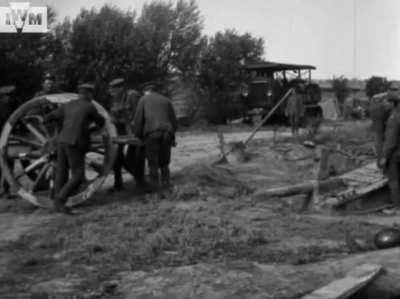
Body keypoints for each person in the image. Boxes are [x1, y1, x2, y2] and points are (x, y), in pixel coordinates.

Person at [44, 84, 104, 214]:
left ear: (79, 94)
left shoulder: (68, 105)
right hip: (75, 143)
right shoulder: (89, 106)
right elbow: (101, 122)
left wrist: (56, 127)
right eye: (91, 94)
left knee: (62, 172)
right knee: (78, 175)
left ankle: (57, 204)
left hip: (61, 141)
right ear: (89, 94)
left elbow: (48, 117)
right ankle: (60, 199)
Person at [132, 82, 177, 190]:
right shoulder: (166, 100)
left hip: (152, 133)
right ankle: (166, 184)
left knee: (153, 162)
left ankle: (155, 188)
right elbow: (174, 121)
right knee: (164, 161)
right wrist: (172, 136)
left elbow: (138, 120)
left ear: (146, 91)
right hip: (167, 132)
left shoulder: (143, 99)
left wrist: (138, 135)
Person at [108, 78, 145, 192]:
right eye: (111, 89)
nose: (112, 92)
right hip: (120, 131)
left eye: (114, 89)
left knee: (134, 157)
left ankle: (140, 181)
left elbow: (138, 114)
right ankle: (118, 183)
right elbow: (113, 116)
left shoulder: (132, 95)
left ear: (121, 88)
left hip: (134, 131)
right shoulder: (115, 99)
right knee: (116, 156)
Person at [379, 92, 400, 212]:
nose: (384, 104)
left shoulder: (393, 118)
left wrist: (384, 157)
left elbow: (390, 140)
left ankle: (397, 208)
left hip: (394, 154)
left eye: (386, 101)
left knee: (393, 180)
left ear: (393, 103)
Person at [0, 86, 17, 196]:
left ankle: (6, 189)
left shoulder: (11, 106)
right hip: (2, 138)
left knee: (9, 164)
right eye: (9, 96)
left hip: (8, 139)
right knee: (5, 165)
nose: (11, 98)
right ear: (4, 97)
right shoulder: (4, 107)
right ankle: (5, 189)